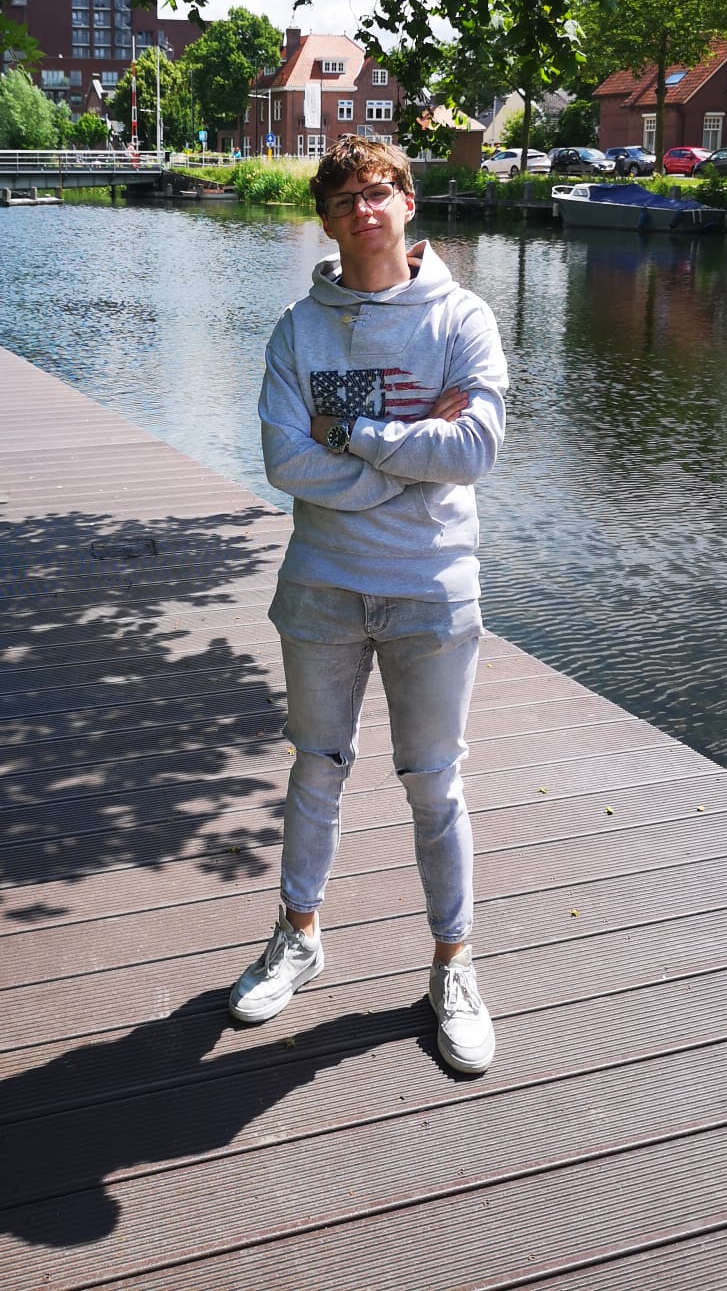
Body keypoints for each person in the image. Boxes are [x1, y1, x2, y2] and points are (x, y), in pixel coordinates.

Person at [227, 136, 508, 1073]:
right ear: (326, 218)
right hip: (323, 587)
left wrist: (350, 434)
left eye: (379, 191)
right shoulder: (296, 330)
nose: (364, 209)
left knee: (436, 783)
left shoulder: (462, 319)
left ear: (408, 203)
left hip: (432, 588)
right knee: (315, 768)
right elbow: (285, 462)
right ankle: (298, 936)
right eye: (344, 197)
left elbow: (474, 451)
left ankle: (453, 967)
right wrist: (411, 451)